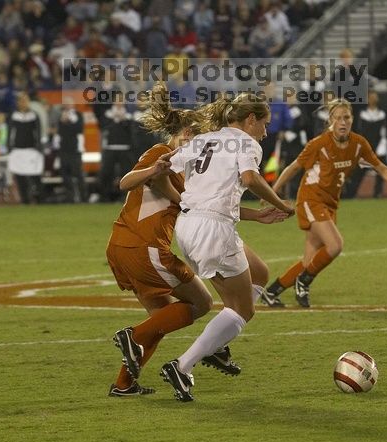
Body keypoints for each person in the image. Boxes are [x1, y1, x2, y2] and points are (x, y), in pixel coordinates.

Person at [108, 85, 288, 397]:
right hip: (147, 246)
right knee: (209, 304)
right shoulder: (164, 155)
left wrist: (256, 216)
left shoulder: (193, 155)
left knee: (164, 317)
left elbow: (195, 201)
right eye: (194, 135)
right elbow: (130, 182)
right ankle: (172, 355)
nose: (196, 141)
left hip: (153, 239)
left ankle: (125, 383)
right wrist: (156, 168)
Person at [159, 92, 295, 402]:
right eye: (265, 124)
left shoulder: (204, 139)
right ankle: (183, 366)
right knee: (243, 310)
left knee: (259, 272)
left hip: (188, 227)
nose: (266, 131)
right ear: (250, 120)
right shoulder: (248, 143)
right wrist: (279, 202)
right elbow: (250, 177)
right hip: (213, 232)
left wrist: (256, 215)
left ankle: (217, 343)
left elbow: (163, 169)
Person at [260, 99, 387, 309]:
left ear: (352, 119)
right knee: (335, 245)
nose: (343, 122)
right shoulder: (319, 144)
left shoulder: (358, 144)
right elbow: (293, 167)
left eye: (346, 117)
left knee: (310, 261)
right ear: (330, 120)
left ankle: (272, 292)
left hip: (329, 203)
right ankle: (304, 281)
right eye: (338, 118)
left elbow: (380, 167)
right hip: (310, 199)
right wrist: (273, 192)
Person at [343, 90, 387, 199]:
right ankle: (350, 194)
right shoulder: (362, 114)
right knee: (358, 173)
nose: (372, 99)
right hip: (364, 148)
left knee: (380, 172)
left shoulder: (382, 114)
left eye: (374, 97)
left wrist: (382, 146)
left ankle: (378, 194)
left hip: (379, 147)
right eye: (370, 97)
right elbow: (358, 131)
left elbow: (384, 131)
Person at [7, 92, 43, 204]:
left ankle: (40, 199)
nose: (23, 103)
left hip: (31, 149)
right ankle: (25, 199)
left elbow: (38, 132)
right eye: (21, 101)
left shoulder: (34, 115)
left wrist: (38, 146)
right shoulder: (13, 115)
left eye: (25, 101)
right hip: (18, 150)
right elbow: (10, 132)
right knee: (20, 177)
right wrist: (10, 146)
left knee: (35, 176)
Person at [54, 101, 85, 203]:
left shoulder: (78, 115)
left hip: (75, 150)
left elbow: (79, 129)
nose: (67, 105)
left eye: (69, 103)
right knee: (65, 175)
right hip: (64, 150)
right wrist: (64, 122)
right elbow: (60, 131)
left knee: (78, 174)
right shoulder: (60, 116)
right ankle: (70, 197)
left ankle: (83, 197)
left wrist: (68, 122)